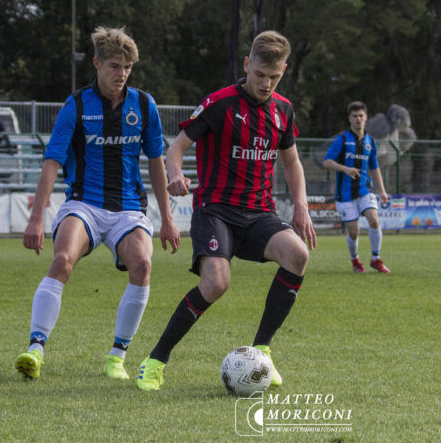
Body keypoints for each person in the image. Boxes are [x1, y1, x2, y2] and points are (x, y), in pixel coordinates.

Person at [136, 30, 317, 391]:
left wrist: (302, 207)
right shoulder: (220, 104)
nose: (265, 84)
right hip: (216, 211)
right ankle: (155, 360)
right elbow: (175, 148)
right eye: (259, 74)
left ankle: (262, 351)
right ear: (247, 65)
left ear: (283, 70)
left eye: (274, 77)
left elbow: (292, 162)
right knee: (217, 283)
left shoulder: (283, 110)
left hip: (259, 213)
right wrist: (175, 174)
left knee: (298, 255)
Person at [14, 27, 181, 381]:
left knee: (142, 264)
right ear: (97, 64)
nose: (122, 74)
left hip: (128, 208)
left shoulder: (144, 105)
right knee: (62, 259)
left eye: (128, 68)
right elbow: (51, 162)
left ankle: (116, 357)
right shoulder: (75, 105)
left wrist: (167, 218)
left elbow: (155, 162)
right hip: (83, 204)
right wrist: (35, 219)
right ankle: (35, 349)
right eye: (115, 66)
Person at [322, 101, 390, 274]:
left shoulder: (370, 142)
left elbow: (374, 167)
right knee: (354, 232)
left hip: (364, 190)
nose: (358, 119)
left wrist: (382, 190)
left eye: (361, 115)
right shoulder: (342, 139)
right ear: (349, 119)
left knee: (374, 220)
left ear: (366, 117)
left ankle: (376, 259)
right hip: (345, 193)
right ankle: (355, 260)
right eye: (354, 116)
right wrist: (345, 169)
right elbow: (327, 162)